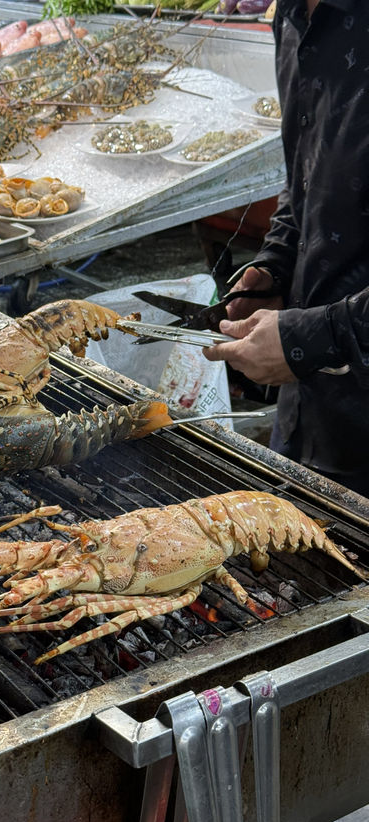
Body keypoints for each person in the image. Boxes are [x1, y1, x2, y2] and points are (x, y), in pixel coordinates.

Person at [203, 0, 369, 498]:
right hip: (312, 413)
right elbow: (306, 169)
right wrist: (276, 261)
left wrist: (320, 335)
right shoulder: (295, 15)